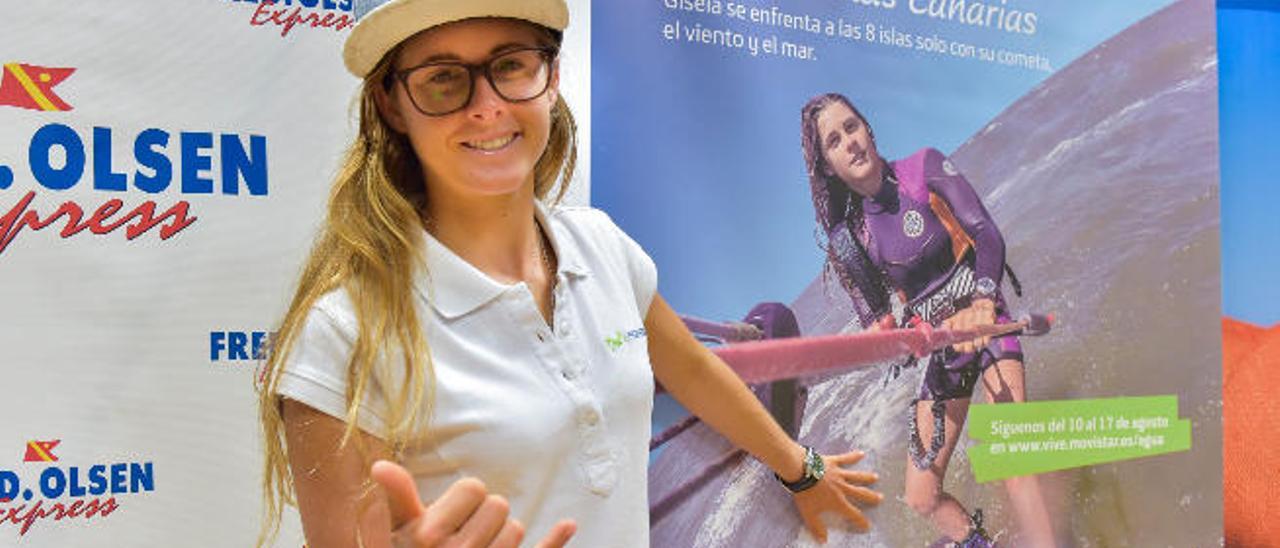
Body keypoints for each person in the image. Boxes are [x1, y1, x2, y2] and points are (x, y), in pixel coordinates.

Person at [255, 2, 883, 546]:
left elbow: (690, 368)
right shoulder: (343, 336)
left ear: (551, 78)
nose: (486, 106)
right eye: (443, 80)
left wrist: (799, 468)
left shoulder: (601, 246)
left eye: (510, 66)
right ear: (393, 105)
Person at [799, 93, 1055, 547]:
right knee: (920, 496)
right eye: (835, 141)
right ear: (829, 167)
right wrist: (901, 340)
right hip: (945, 347)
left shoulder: (923, 168)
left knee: (1016, 460)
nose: (850, 143)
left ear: (869, 129)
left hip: (986, 323)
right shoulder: (849, 242)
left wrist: (980, 299)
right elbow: (881, 328)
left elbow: (986, 233)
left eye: (852, 127)